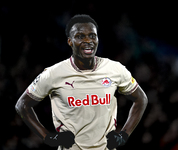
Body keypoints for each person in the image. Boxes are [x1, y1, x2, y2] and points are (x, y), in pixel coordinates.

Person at [15, 14, 148, 150]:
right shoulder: (53, 73)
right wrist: (48, 137)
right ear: (70, 41)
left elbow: (141, 99)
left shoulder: (115, 69)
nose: (88, 40)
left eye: (92, 36)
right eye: (80, 36)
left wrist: (124, 135)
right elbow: (22, 105)